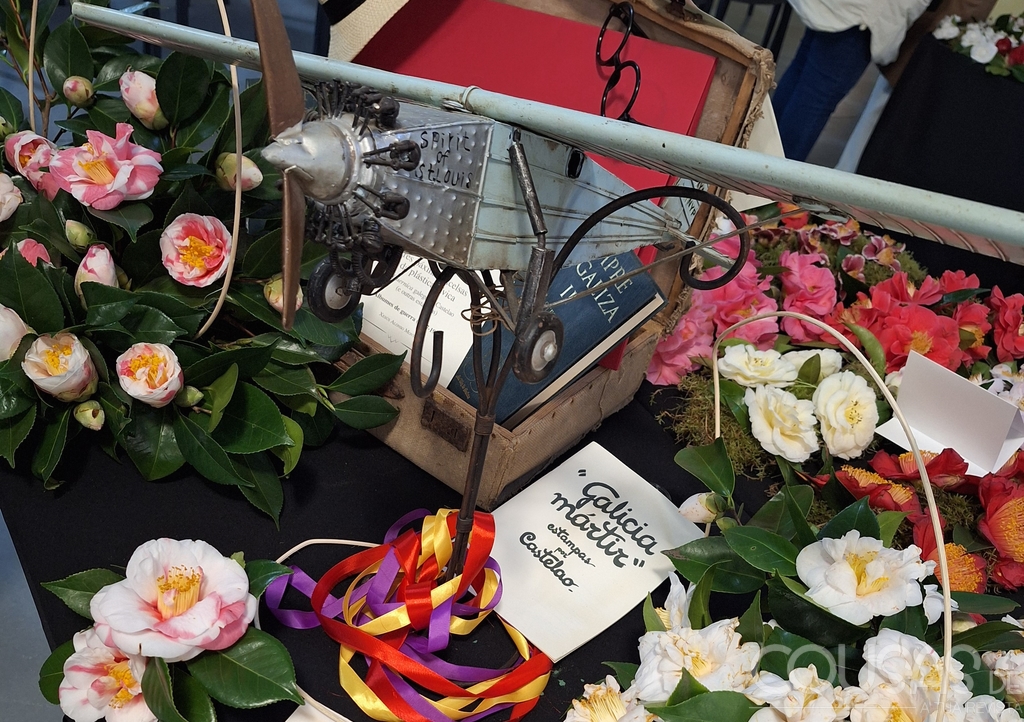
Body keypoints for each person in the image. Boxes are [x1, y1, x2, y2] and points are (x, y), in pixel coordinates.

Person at [773, 0, 932, 161]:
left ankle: (763, 154)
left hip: (840, 9)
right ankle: (776, 171)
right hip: (858, 18)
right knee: (815, 100)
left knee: (800, 74)